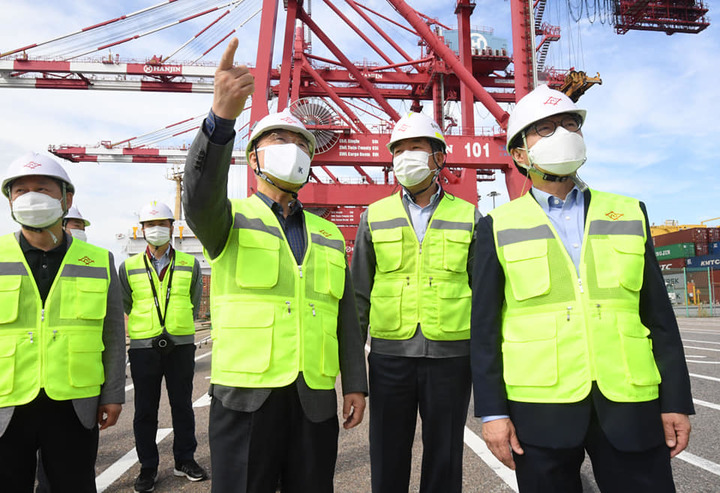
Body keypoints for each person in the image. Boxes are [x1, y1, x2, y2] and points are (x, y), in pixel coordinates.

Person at [471, 85, 694, 492]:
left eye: (570, 124)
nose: (563, 133)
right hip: (539, 408)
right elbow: (483, 331)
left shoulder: (629, 212)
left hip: (630, 401)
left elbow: (659, 317)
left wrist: (676, 400)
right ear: (519, 154)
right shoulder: (496, 225)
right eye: (545, 128)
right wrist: (492, 414)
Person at [182, 37, 368, 493]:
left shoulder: (327, 233)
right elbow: (198, 197)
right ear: (254, 158)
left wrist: (355, 383)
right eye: (280, 139)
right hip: (247, 399)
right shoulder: (229, 220)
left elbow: (343, 315)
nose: (295, 149)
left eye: (303, 144)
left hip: (314, 399)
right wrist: (221, 121)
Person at [352, 111, 479, 493]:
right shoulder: (373, 216)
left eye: (417, 147)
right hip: (390, 357)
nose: (406, 156)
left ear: (439, 156)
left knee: (445, 457)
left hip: (452, 357)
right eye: (400, 149)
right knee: (387, 455)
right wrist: (355, 376)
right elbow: (358, 295)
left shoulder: (470, 216)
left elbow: (485, 296)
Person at [0, 152, 125, 492]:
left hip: (73, 402)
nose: (30, 196)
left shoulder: (99, 261)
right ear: (9, 201)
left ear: (67, 199)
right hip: (7, 402)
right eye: (20, 190)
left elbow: (113, 332)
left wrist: (112, 393)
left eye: (41, 188)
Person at [118, 200, 207, 492]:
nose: (156, 229)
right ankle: (148, 467)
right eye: (150, 225)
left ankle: (185, 460)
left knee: (182, 406)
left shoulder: (189, 263)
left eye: (161, 224)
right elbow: (126, 303)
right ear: (141, 230)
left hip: (180, 344)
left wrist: (177, 323)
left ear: (172, 227)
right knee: (145, 409)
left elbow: (194, 302)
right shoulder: (128, 267)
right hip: (144, 346)